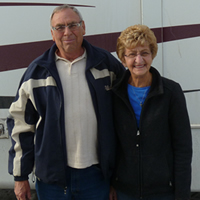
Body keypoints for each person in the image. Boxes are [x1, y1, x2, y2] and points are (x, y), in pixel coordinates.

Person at [7, 4, 125, 200]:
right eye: (60, 27)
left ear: (83, 27)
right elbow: (20, 125)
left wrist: (120, 175)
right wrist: (20, 176)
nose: (67, 32)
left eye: (73, 25)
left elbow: (125, 116)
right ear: (52, 33)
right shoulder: (37, 72)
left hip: (97, 176)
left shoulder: (105, 64)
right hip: (53, 180)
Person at [109, 24, 192, 200]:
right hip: (124, 192)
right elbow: (110, 144)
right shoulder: (115, 93)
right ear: (123, 59)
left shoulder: (171, 92)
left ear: (152, 54)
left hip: (162, 192)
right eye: (132, 54)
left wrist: (182, 194)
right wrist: (111, 183)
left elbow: (183, 148)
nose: (139, 60)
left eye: (144, 53)